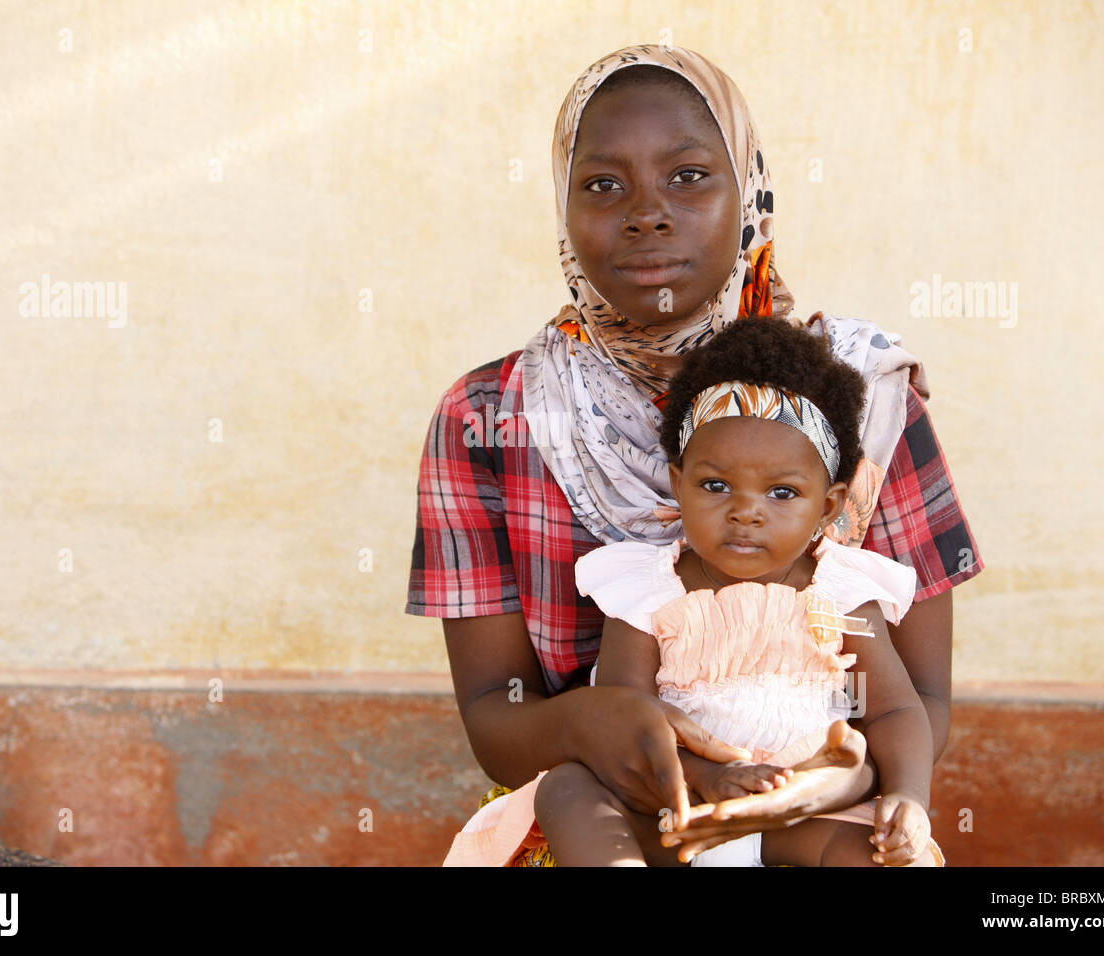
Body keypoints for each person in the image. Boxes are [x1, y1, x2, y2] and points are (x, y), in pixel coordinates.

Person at [408, 45, 982, 865]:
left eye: (688, 177)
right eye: (602, 184)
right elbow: (495, 723)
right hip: (612, 820)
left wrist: (829, 784)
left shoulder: (864, 399)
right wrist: (595, 725)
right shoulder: (489, 419)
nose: (647, 214)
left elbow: (918, 701)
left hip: (822, 820)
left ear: (748, 191)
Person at [464, 317, 940, 866]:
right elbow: (627, 723)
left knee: (876, 852)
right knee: (566, 790)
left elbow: (894, 711)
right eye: (716, 485)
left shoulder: (842, 591)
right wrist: (706, 776)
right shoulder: (647, 591)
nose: (745, 512)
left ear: (828, 506)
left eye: (782, 493)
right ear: (678, 482)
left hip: (805, 814)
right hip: (675, 809)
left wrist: (908, 795)